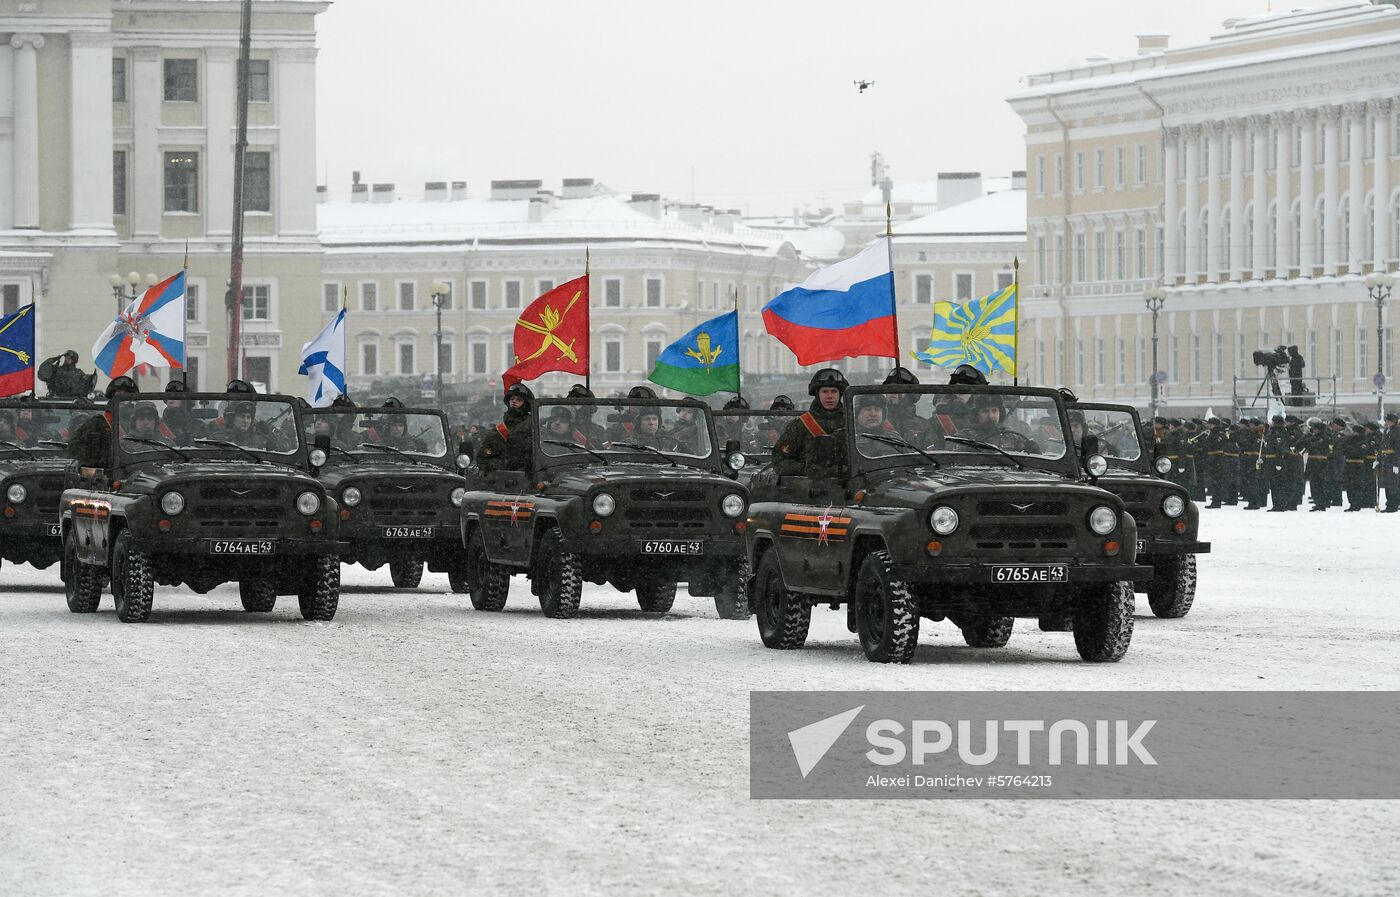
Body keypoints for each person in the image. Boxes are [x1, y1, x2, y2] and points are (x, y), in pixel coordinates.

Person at [772, 368, 848, 479]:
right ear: (817, 394)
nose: (829, 396)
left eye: (834, 391)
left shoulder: (850, 422)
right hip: (810, 490)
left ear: (840, 394)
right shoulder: (801, 425)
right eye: (825, 391)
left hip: (848, 488)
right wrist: (807, 470)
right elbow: (779, 461)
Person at [67, 376, 138, 467]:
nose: (122, 397)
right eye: (119, 393)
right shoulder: (100, 422)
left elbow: (158, 444)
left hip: (137, 469)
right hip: (108, 472)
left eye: (126, 394)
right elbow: (73, 446)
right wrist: (96, 458)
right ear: (113, 396)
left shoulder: (141, 420)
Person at [477, 383, 534, 474]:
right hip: (504, 479)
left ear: (526, 404)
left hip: (529, 477)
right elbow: (483, 459)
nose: (514, 401)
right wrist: (505, 465)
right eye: (512, 399)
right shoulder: (498, 431)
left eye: (519, 399)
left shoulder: (533, 427)